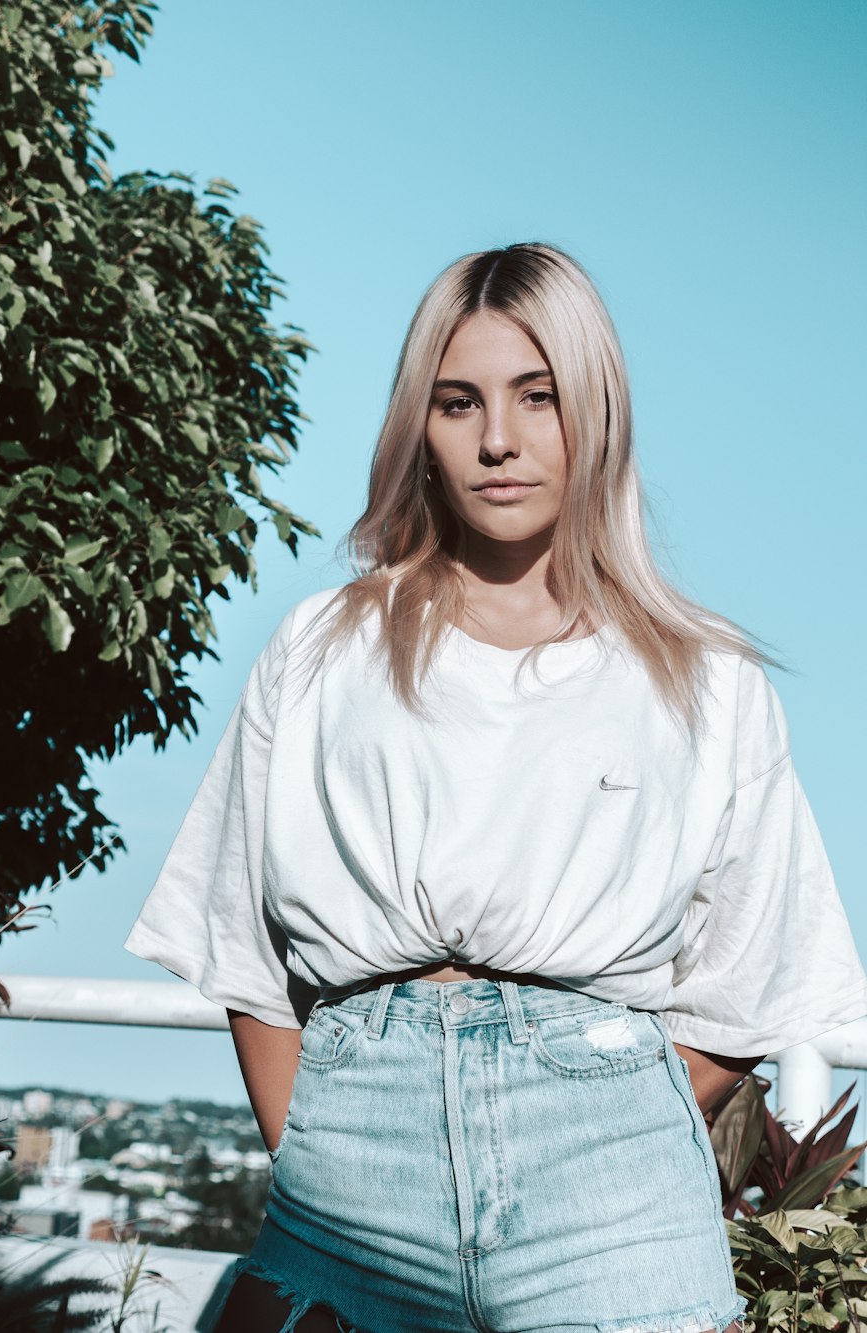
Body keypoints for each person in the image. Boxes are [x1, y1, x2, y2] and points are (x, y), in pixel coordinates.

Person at [124, 243, 867, 1333]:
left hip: (614, 1188)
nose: (499, 440)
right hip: (351, 1170)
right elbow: (242, 942)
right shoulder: (324, 647)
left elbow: (754, 977)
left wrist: (598, 1095)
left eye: (538, 397)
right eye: (458, 402)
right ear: (416, 427)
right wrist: (322, 1142)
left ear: (595, 416)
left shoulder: (705, 682)